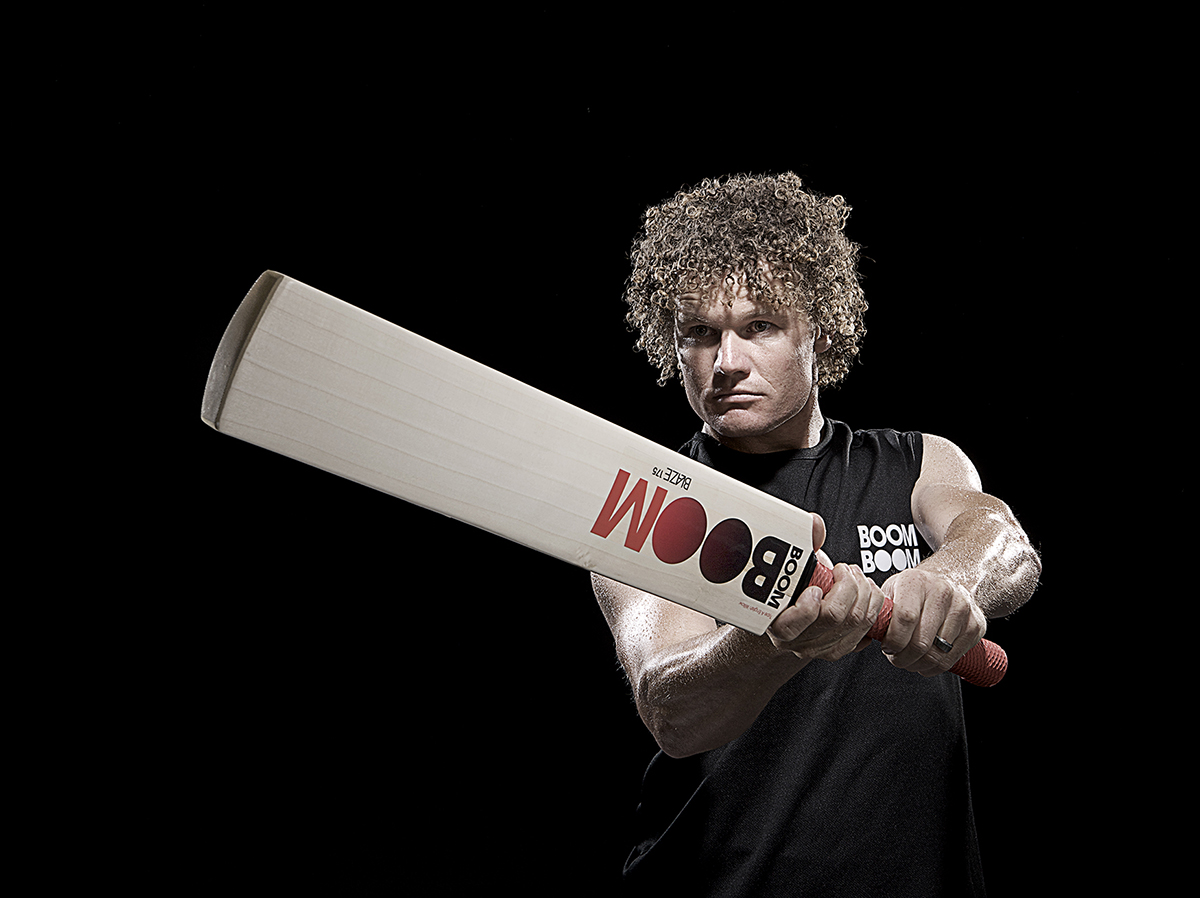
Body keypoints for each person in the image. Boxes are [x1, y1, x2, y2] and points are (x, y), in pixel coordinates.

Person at [592, 173, 1040, 896]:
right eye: (700, 334)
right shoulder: (645, 504)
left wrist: (952, 579)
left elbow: (1000, 539)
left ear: (818, 330)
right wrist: (772, 642)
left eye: (759, 326)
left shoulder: (918, 462)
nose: (726, 362)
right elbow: (669, 708)